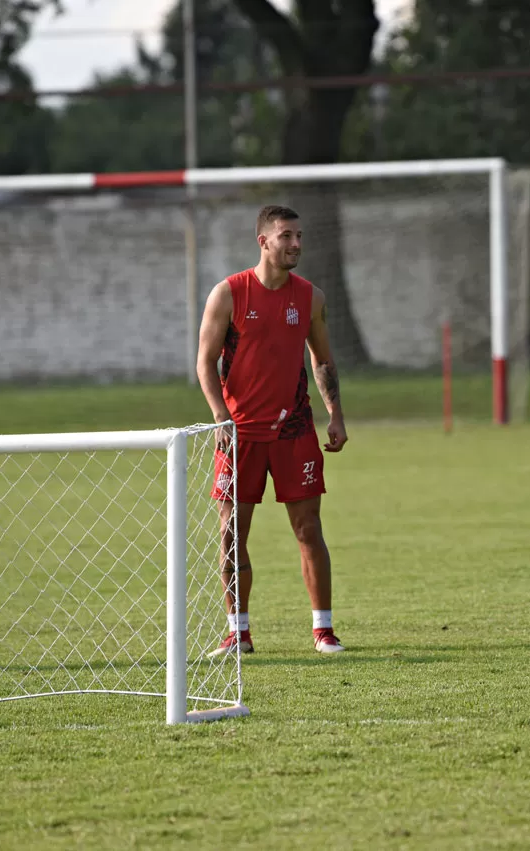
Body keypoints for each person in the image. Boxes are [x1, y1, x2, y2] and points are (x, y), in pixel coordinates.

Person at [196, 205, 349, 656]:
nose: (296, 244)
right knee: (230, 533)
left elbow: (322, 360)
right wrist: (221, 416)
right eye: (287, 236)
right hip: (239, 434)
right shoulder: (228, 294)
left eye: (300, 235)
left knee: (308, 529)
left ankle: (324, 631)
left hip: (294, 432)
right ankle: (237, 632)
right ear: (263, 241)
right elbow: (204, 363)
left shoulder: (310, 298)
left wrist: (335, 414)